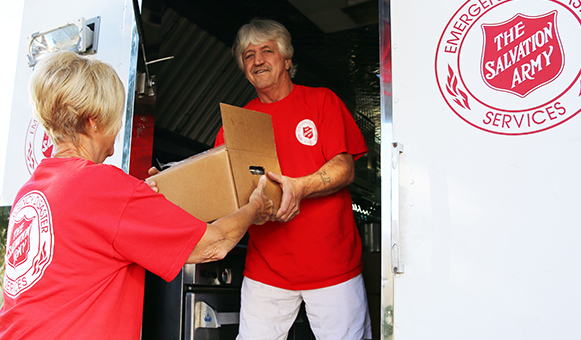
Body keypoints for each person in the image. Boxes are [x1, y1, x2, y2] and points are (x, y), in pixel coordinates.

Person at [0, 51, 274, 340]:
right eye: (115, 116)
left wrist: (141, 199)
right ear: (94, 122)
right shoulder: (103, 186)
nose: (119, 128)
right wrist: (254, 207)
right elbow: (214, 244)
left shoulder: (30, 190)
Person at [214, 18, 372, 340]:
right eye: (248, 55)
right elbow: (221, 187)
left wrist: (300, 187)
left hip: (333, 267)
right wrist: (174, 181)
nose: (257, 60)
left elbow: (344, 167)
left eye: (267, 51)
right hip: (266, 271)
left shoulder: (322, 101)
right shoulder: (238, 123)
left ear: (287, 60)